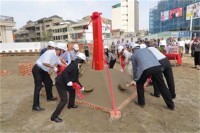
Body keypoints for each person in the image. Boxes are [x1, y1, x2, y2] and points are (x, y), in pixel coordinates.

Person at [131, 45, 174, 110]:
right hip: (157, 66)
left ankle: (141, 103)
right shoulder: (146, 50)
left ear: (133, 49)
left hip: (146, 69)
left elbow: (135, 68)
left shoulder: (133, 55)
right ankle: (171, 105)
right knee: (162, 85)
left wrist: (135, 79)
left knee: (139, 84)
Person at [51, 53, 86, 123]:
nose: (83, 64)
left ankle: (71, 104)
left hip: (66, 82)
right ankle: (54, 117)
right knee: (64, 100)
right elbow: (64, 73)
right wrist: (68, 81)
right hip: (60, 83)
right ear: (81, 61)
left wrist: (81, 87)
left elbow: (75, 79)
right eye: (83, 62)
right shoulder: (73, 65)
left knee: (72, 90)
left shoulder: (77, 66)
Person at [32, 44, 64, 111]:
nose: (62, 53)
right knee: (38, 87)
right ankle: (35, 105)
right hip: (38, 69)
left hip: (44, 71)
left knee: (49, 82)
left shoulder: (56, 56)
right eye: (62, 51)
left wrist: (69, 66)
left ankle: (49, 97)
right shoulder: (49, 52)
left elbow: (60, 63)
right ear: (59, 50)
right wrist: (53, 67)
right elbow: (45, 63)